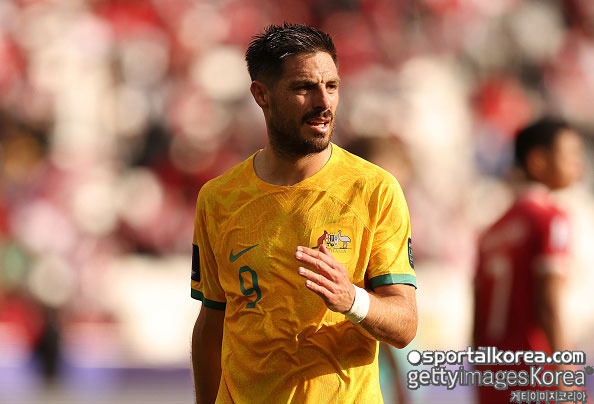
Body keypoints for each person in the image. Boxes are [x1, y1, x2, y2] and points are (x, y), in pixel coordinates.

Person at [190, 23, 418, 404]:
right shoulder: (218, 198)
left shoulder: (374, 189)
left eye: (332, 86)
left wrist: (353, 300)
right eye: (303, 88)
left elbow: (405, 324)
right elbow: (212, 325)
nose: (323, 102)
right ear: (261, 95)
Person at [473, 117, 585, 404]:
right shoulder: (550, 219)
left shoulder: (491, 232)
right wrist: (565, 374)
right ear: (537, 160)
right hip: (537, 372)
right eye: (570, 154)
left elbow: (478, 312)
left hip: (495, 374)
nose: (579, 164)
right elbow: (548, 302)